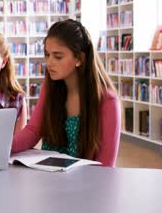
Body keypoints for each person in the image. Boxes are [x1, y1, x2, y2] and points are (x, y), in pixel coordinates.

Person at [12, 19, 121, 167]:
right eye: (47, 54)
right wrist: (2, 147)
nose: (49, 62)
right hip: (48, 177)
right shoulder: (49, 87)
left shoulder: (107, 100)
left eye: (58, 56)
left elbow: (106, 165)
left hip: (86, 183)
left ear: (79, 58)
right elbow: (33, 131)